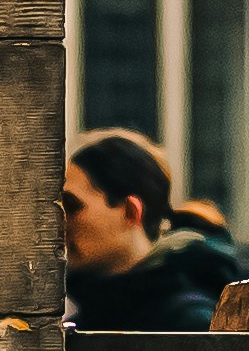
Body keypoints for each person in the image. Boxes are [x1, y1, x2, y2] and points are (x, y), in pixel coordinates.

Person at [62, 130, 237, 329]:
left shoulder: (188, 324)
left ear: (130, 211)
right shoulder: (87, 312)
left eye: (71, 206)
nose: (58, 223)